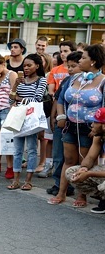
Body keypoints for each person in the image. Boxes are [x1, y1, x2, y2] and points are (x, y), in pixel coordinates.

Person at [49, 45, 105, 207]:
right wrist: (61, 116)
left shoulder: (103, 81)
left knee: (84, 161)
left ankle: (82, 196)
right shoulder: (74, 78)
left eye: (83, 58)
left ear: (93, 61)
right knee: (68, 160)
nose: (79, 60)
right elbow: (61, 99)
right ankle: (61, 192)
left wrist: (98, 127)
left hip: (90, 128)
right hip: (70, 125)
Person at [7, 54, 47, 190]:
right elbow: (10, 100)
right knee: (17, 150)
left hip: (31, 118)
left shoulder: (41, 80)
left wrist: (18, 98)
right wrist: (15, 86)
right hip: (18, 117)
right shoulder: (20, 80)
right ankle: (16, 179)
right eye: (24, 66)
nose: (26, 68)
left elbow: (37, 99)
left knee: (31, 150)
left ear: (37, 65)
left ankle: (28, 180)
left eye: (29, 65)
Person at [46, 51, 81, 200]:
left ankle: (72, 186)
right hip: (62, 123)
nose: (70, 69)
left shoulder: (90, 81)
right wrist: (55, 116)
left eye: (74, 66)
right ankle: (58, 184)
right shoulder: (67, 80)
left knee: (74, 158)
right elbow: (58, 99)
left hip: (77, 124)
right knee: (58, 155)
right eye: (69, 66)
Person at [40, 41, 76, 179]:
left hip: (71, 112)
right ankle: (50, 166)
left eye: (66, 51)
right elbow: (52, 91)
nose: (62, 54)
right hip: (55, 107)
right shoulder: (55, 70)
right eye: (61, 51)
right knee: (51, 140)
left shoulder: (77, 71)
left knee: (68, 145)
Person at [66, 107, 105, 213]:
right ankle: (104, 199)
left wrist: (89, 174)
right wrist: (83, 169)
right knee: (71, 172)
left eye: (95, 122)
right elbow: (90, 157)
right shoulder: (99, 136)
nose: (91, 125)